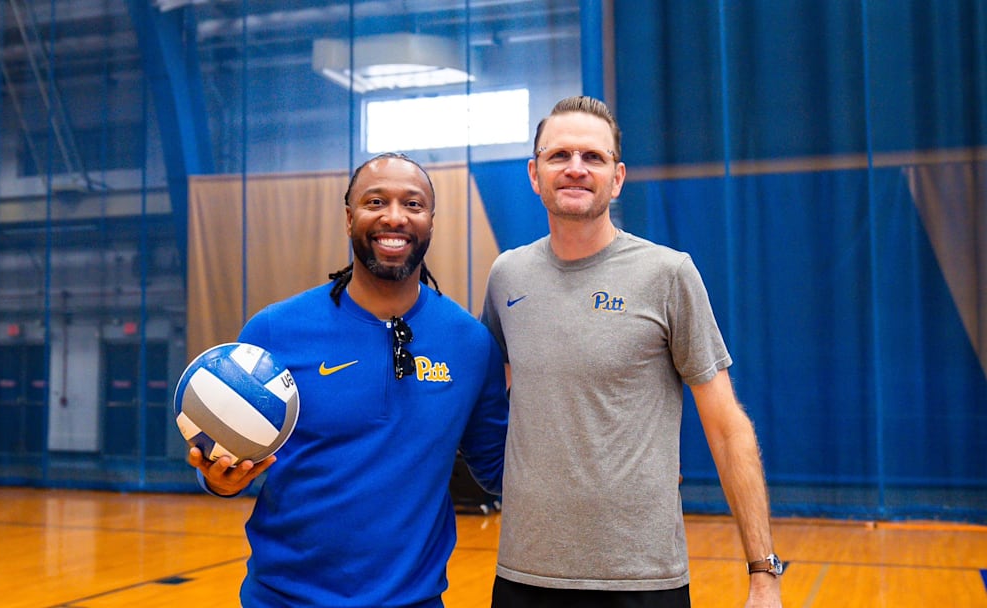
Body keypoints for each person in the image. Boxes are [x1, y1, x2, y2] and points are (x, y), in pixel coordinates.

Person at [481, 96, 783, 607]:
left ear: (617, 178)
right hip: (524, 576)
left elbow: (727, 426)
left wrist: (763, 573)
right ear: (535, 174)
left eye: (593, 158)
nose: (575, 168)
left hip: (642, 582)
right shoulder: (506, 275)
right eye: (559, 156)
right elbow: (495, 398)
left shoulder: (668, 274)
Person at [187, 152, 509, 607]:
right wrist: (220, 480)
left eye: (412, 205)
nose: (394, 217)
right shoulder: (273, 332)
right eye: (375, 202)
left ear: (431, 221)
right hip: (282, 599)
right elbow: (225, 459)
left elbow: (500, 469)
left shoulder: (471, 345)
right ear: (348, 217)